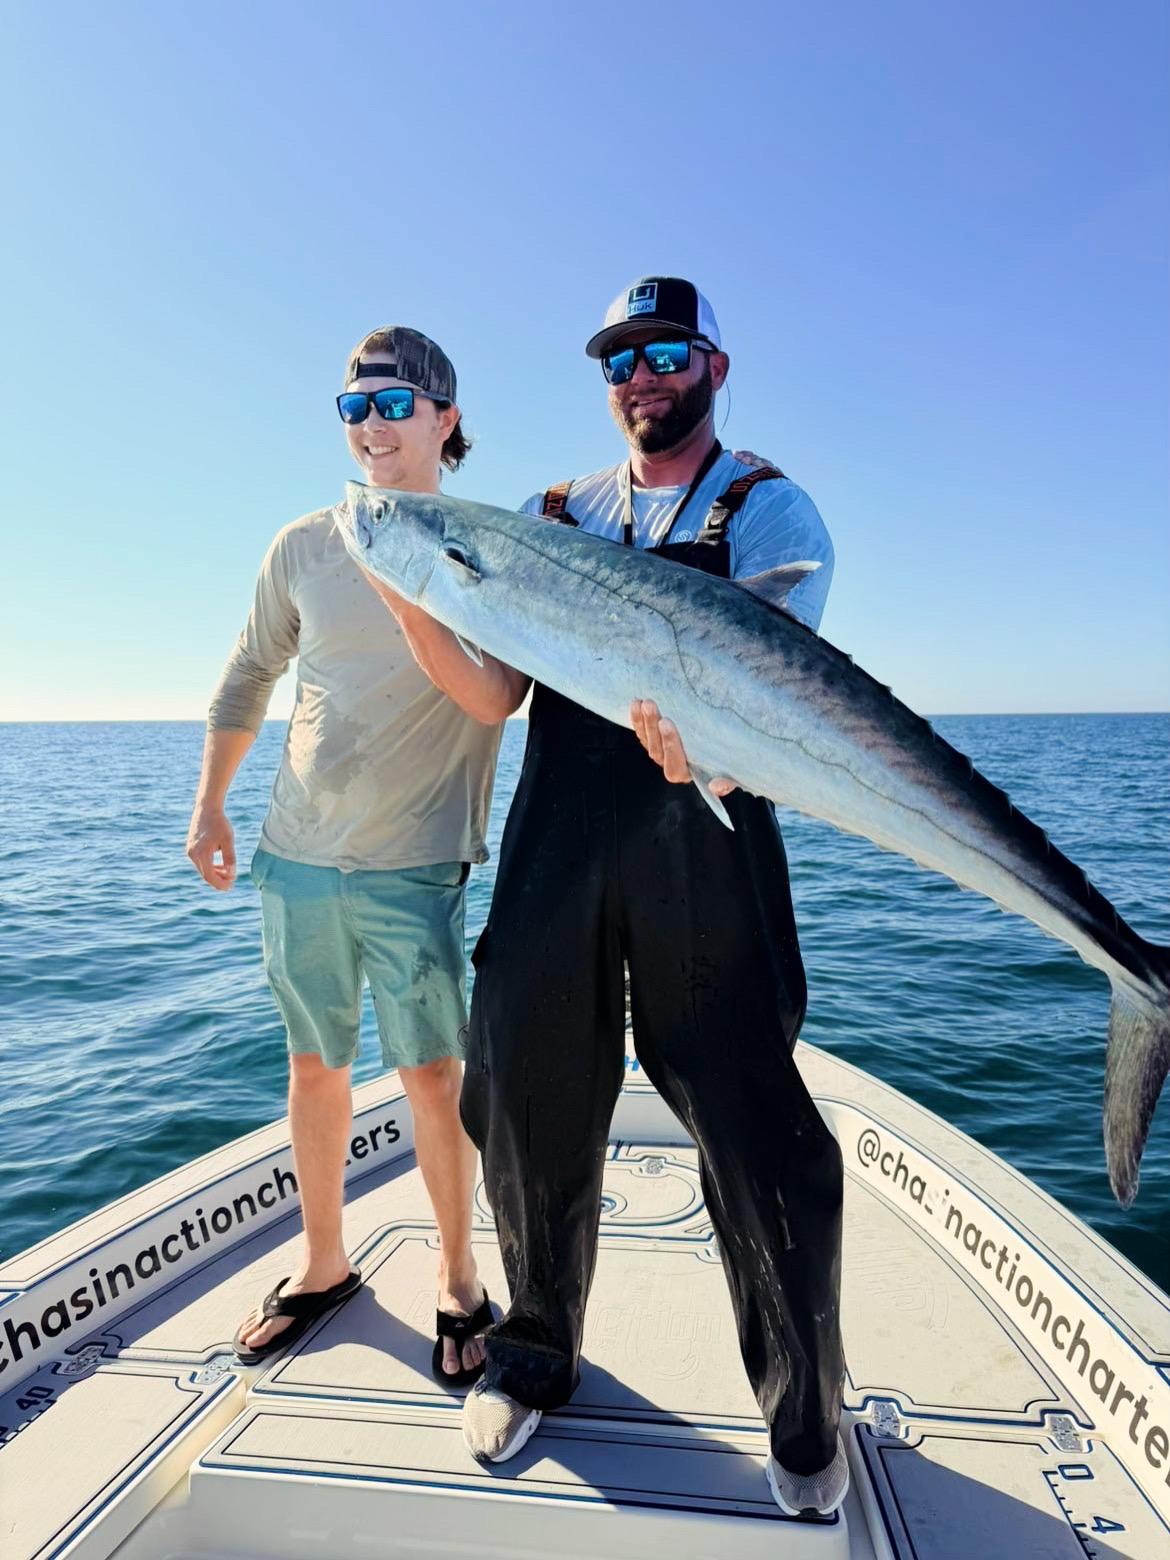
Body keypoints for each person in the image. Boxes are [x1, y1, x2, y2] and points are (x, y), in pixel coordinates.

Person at [395, 275, 847, 1516]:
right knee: (519, 1095)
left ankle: (806, 1414)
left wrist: (706, 739)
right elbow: (498, 694)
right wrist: (411, 588)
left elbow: (774, 694)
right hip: (560, 837)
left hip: (707, 831)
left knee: (754, 1126)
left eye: (663, 352)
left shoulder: (767, 505)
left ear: (713, 365)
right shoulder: (551, 514)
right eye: (618, 360)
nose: (639, 376)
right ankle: (533, 1356)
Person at [186, 326, 504, 1384]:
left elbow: (496, 699)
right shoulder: (303, 545)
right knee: (313, 1067)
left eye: (395, 403)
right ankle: (324, 1264)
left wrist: (412, 598)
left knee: (431, 1075)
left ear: (445, 419)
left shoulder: (486, 547)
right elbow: (249, 673)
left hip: (417, 862)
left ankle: (459, 1280)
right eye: (354, 407)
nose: (372, 424)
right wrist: (211, 805)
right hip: (299, 854)